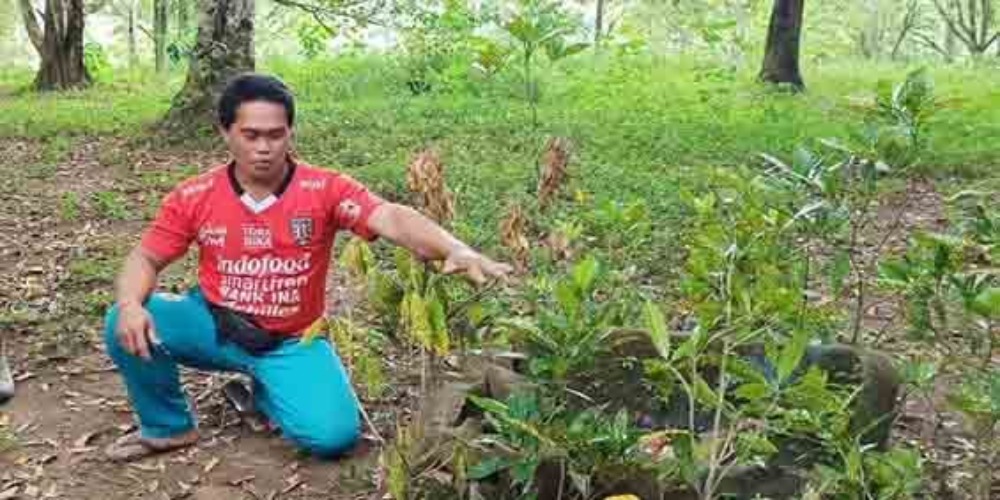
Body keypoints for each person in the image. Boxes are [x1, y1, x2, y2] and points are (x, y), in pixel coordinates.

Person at [103, 73, 512, 461]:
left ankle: (267, 390)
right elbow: (146, 256)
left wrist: (453, 247)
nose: (264, 147)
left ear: (290, 133)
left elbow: (387, 215)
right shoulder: (195, 194)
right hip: (214, 324)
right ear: (225, 133)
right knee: (125, 318)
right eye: (251, 135)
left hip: (291, 340)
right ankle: (168, 426)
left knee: (332, 437)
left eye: (275, 134)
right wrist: (131, 304)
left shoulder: (325, 188)